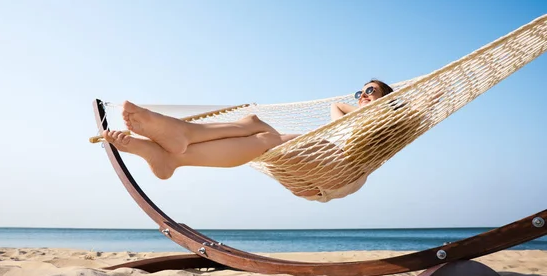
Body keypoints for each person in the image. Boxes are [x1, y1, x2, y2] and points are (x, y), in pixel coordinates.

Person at [102, 80, 395, 201]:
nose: (363, 96)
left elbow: (415, 110)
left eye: (371, 91)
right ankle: (177, 147)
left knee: (266, 139)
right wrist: (359, 104)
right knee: (255, 126)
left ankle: (177, 150)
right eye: (360, 92)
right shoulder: (351, 120)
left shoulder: (385, 122)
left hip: (341, 172)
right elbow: (338, 109)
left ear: (388, 102)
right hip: (322, 158)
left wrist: (389, 104)